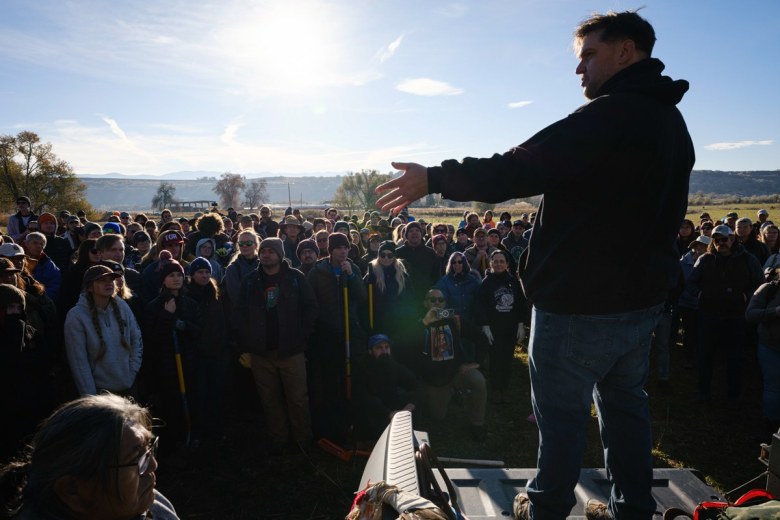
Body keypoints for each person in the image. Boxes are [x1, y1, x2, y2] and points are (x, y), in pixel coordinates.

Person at [376, 11, 694, 520]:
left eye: (589, 55)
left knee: (562, 416)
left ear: (625, 51)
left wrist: (437, 176)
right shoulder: (671, 123)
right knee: (625, 408)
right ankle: (632, 507)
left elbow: (520, 166)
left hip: (579, 305)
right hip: (640, 305)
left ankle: (544, 506)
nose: (579, 70)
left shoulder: (608, 116)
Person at [0, 394, 179, 519]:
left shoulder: (153, 504)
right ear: (72, 491)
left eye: (148, 448)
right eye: (136, 458)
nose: (153, 465)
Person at [236, 237, 317, 451]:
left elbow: (310, 308)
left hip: (291, 351)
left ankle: (303, 441)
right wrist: (248, 343)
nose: (266, 254)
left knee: (298, 399)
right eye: (263, 251)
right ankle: (278, 440)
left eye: (271, 251)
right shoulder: (250, 282)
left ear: (280, 255)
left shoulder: (295, 278)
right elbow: (240, 315)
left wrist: (301, 337)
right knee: (269, 400)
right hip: (261, 353)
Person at [686, 224, 763, 403]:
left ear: (732, 239)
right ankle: (703, 393)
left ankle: (733, 396)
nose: (721, 243)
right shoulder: (705, 259)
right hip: (708, 316)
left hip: (736, 317)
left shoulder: (748, 259)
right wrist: (701, 295)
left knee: (734, 358)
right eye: (717, 240)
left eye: (724, 239)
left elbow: (760, 283)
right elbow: (691, 283)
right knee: (705, 356)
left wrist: (745, 297)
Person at [64, 264, 143, 397]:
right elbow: (78, 360)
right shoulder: (76, 316)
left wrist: (131, 372)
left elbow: (137, 340)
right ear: (89, 287)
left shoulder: (123, 306)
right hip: (99, 393)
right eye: (101, 280)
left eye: (111, 280)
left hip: (128, 387)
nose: (108, 284)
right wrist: (90, 397)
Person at [474, 250, 526, 403]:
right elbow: (480, 306)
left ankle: (505, 388)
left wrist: (521, 324)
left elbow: (520, 304)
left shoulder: (514, 281)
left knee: (507, 360)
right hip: (494, 329)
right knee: (495, 360)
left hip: (510, 328)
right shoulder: (486, 283)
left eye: (501, 261)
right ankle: (496, 389)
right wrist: (485, 326)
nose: (498, 264)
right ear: (490, 264)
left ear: (507, 264)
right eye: (495, 261)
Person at [351, 334, 418, 440]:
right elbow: (364, 397)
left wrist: (409, 407)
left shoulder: (393, 365)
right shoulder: (362, 369)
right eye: (379, 348)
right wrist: (388, 413)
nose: (384, 351)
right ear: (370, 351)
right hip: (375, 413)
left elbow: (415, 384)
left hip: (393, 410)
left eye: (387, 347)